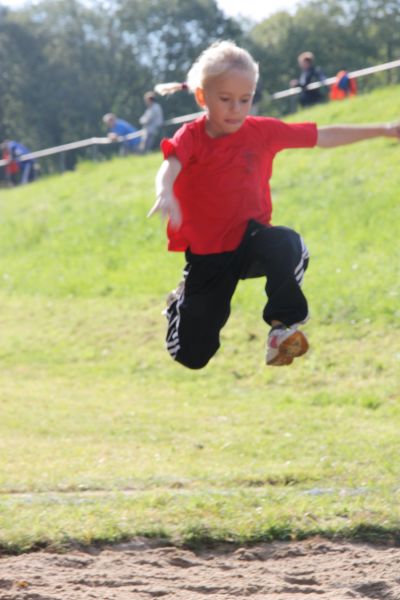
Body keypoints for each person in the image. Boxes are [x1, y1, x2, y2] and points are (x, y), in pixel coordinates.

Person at [149, 40, 400, 370]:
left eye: (245, 99)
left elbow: (323, 136)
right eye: (225, 99)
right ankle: (177, 305)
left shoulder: (262, 131)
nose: (236, 109)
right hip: (209, 256)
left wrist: (385, 130)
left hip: (251, 241)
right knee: (193, 356)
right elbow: (171, 164)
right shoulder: (192, 136)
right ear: (202, 97)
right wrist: (164, 190)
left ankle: (281, 329)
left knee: (288, 243)